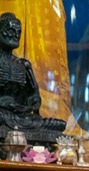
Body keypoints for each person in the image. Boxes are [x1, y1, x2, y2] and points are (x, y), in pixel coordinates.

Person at [0, 12, 66, 145]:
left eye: (19, 31)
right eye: (10, 31)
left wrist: (28, 105)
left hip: (21, 117)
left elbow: (34, 97)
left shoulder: (23, 65)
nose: (16, 35)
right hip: (2, 114)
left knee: (56, 124)